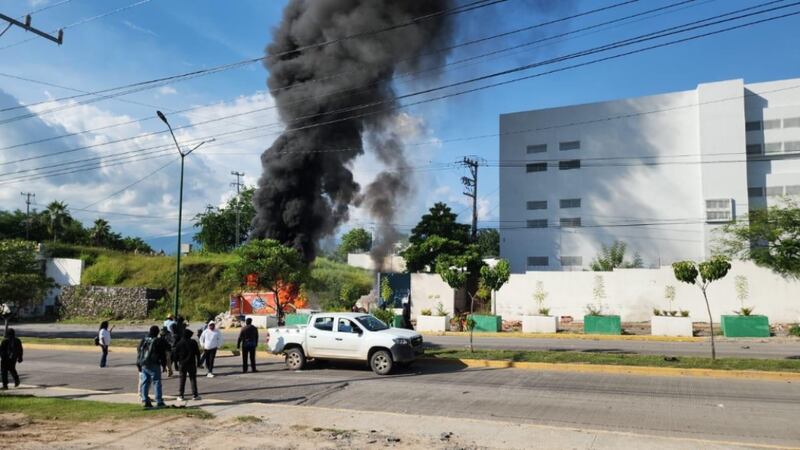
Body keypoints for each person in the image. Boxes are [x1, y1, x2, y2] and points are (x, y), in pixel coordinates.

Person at [136, 325, 168, 408]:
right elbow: (162, 354)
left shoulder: (144, 340)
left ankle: (145, 400)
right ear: (157, 332)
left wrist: (139, 363)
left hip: (144, 363)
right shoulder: (158, 341)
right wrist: (164, 365)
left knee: (145, 381)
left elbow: (139, 350)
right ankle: (159, 401)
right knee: (156, 382)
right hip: (154, 363)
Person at [173, 329, 201, 401]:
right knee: (193, 379)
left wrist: (175, 364)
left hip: (182, 364)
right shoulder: (193, 342)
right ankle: (195, 394)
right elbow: (197, 353)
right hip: (191, 363)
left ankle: (181, 395)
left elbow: (175, 355)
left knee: (182, 379)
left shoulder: (179, 343)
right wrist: (199, 362)